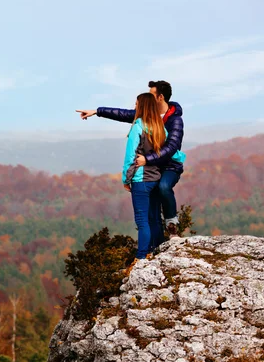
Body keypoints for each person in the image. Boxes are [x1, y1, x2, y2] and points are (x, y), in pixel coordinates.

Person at [77, 80, 185, 237]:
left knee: (163, 187)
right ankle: (156, 244)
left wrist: (147, 159)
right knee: (151, 210)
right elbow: (122, 114)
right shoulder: (148, 114)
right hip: (152, 167)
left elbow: (171, 148)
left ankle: (171, 223)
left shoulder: (175, 120)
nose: (147, 97)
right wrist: (97, 111)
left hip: (169, 165)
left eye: (151, 94)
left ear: (160, 97)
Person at [122, 93, 185, 270]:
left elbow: (130, 157)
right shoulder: (159, 127)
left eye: (136, 104)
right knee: (155, 218)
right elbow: (170, 150)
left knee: (142, 220)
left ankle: (142, 256)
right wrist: (181, 157)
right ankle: (157, 250)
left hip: (140, 179)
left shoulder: (138, 127)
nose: (134, 106)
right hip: (156, 177)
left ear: (142, 106)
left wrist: (126, 179)